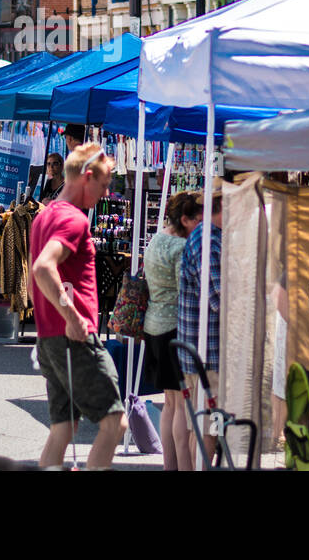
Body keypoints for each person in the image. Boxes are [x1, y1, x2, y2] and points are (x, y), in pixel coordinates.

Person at [28, 143, 125, 469]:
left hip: (51, 339)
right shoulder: (73, 220)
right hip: (73, 338)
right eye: (105, 182)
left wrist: (52, 318)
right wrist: (71, 316)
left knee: (63, 428)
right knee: (115, 422)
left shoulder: (45, 216)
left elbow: (33, 282)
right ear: (87, 176)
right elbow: (43, 268)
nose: (106, 190)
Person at [142, 192, 195, 471]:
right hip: (174, 326)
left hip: (153, 323)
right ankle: (181, 466)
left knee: (169, 402)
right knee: (179, 403)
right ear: (185, 220)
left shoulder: (157, 238)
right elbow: (185, 288)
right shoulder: (178, 247)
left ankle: (168, 466)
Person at [176, 189, 223, 465]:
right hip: (207, 354)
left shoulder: (206, 238)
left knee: (200, 427)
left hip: (198, 351)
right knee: (208, 430)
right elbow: (220, 300)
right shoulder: (209, 242)